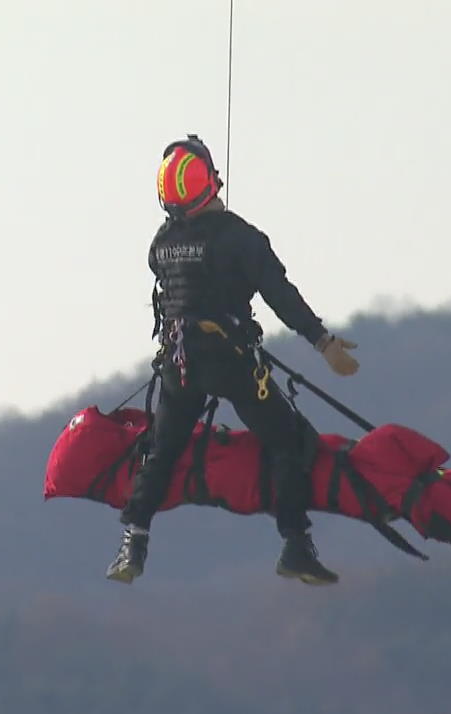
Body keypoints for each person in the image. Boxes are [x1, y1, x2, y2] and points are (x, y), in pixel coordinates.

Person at [107, 134, 360, 586]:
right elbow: (281, 295)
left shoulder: (161, 244)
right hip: (231, 361)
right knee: (290, 440)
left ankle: (133, 542)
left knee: (161, 450)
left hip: (179, 364)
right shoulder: (240, 239)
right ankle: (295, 544)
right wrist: (322, 342)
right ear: (212, 182)